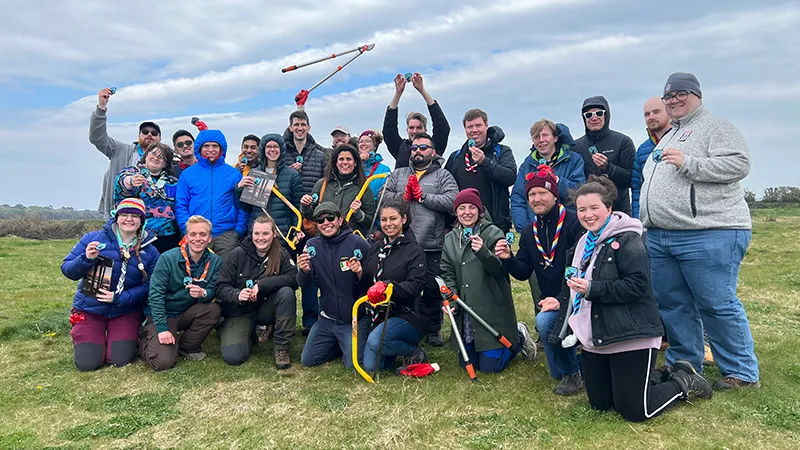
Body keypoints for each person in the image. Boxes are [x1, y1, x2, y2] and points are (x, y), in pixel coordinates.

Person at [548, 176, 712, 422]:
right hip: (598, 334)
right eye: (582, 209)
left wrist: (593, 289)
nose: (587, 214)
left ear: (609, 209)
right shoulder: (583, 242)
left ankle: (682, 381)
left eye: (595, 208)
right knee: (601, 404)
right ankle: (656, 376)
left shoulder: (629, 240)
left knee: (635, 410)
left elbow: (637, 286)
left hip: (630, 332)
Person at [640, 72, 760, 389]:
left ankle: (742, 373)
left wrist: (690, 162)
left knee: (716, 303)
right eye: (668, 96)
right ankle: (686, 363)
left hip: (708, 232)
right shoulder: (668, 135)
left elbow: (739, 163)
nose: (674, 100)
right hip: (662, 236)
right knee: (673, 303)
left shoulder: (716, 127)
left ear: (697, 95)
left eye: (681, 94)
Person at [497, 166, 585, 394]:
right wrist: (508, 258)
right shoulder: (528, 232)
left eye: (542, 193)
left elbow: (584, 269)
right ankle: (574, 368)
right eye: (531, 195)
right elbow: (523, 272)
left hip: (582, 297)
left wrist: (560, 299)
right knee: (554, 368)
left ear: (555, 195)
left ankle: (575, 373)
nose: (537, 199)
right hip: (555, 303)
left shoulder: (575, 223)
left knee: (546, 322)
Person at [440, 188, 534, 373]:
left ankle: (519, 337)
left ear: (479, 210)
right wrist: (452, 299)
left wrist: (483, 252)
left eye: (472, 207)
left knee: (490, 368)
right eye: (462, 208)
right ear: (455, 211)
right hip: (465, 307)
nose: (467, 212)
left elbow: (499, 270)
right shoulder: (451, 238)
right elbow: (447, 271)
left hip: (490, 307)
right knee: (467, 363)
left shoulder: (493, 233)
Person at [61, 198, 159, 371]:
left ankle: (123, 336)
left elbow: (151, 285)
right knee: (88, 364)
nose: (129, 219)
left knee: (119, 360)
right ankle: (91, 336)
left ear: (141, 221)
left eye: (135, 216)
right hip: (90, 308)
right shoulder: (93, 238)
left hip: (125, 310)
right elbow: (68, 270)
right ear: (116, 217)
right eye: (125, 214)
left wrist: (120, 298)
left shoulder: (150, 250)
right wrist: (86, 259)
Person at [382, 132, 459, 346]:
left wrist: (424, 197)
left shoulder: (443, 176)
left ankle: (434, 329)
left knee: (433, 289)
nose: (418, 151)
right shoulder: (398, 174)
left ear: (433, 152)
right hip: (403, 244)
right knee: (406, 289)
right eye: (415, 147)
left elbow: (453, 200)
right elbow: (383, 196)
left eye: (423, 147)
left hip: (431, 244)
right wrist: (403, 198)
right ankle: (410, 326)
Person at [140, 215, 222, 371]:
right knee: (162, 362)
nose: (198, 239)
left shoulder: (215, 260)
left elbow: (212, 291)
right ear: (186, 236)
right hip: (163, 314)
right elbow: (155, 296)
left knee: (213, 310)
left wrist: (204, 293)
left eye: (203, 234)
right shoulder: (167, 258)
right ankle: (144, 339)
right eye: (193, 234)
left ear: (210, 238)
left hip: (186, 312)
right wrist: (163, 329)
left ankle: (186, 345)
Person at [216, 215, 299, 369]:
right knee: (234, 357)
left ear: (274, 234)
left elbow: (294, 278)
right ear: (251, 234)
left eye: (265, 233)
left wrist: (263, 284)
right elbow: (221, 287)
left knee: (286, 292)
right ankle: (241, 334)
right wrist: (237, 294)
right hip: (240, 311)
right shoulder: (237, 254)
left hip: (265, 309)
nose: (261, 238)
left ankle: (282, 347)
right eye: (257, 233)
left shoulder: (281, 253)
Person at [298, 203, 371, 369]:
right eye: (320, 220)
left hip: (353, 319)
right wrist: (303, 271)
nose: (326, 222)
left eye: (330, 218)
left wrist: (360, 273)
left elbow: (373, 283)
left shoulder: (358, 243)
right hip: (327, 318)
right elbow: (304, 284)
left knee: (353, 365)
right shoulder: (312, 246)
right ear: (316, 224)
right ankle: (340, 345)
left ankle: (350, 343)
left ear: (340, 219)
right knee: (308, 361)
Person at [361, 201, 430, 372]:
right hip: (379, 314)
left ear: (404, 219)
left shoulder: (415, 250)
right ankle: (391, 345)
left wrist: (390, 287)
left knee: (376, 342)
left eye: (393, 218)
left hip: (408, 313)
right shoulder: (375, 248)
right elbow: (367, 282)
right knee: (372, 367)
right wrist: (358, 273)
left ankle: (414, 351)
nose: (388, 224)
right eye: (384, 220)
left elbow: (416, 285)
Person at [175, 127, 248, 256]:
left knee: (226, 273)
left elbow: (241, 205)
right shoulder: (188, 174)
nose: (210, 150)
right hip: (197, 235)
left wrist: (238, 230)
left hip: (226, 235)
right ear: (199, 148)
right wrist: (188, 229)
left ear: (221, 149)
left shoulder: (233, 174)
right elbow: (181, 205)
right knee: (196, 272)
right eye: (206, 146)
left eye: (215, 146)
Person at [89, 88, 161, 218]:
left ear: (159, 139)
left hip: (154, 218)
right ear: (138, 135)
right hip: (121, 214)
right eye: (145, 132)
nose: (149, 135)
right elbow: (97, 138)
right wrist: (101, 107)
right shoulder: (120, 150)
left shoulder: (166, 159)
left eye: (154, 133)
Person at [444, 109, 517, 233]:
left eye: (478, 125)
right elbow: (446, 187)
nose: (474, 130)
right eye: (470, 127)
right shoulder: (456, 157)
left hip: (495, 225)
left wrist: (485, 162)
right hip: (462, 225)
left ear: (486, 126)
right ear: (465, 129)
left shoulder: (502, 151)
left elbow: (510, 177)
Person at [511, 120, 583, 228]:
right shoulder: (527, 165)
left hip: (567, 228)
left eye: (545, 135)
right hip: (536, 229)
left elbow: (579, 192)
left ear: (555, 138)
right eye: (536, 137)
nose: (541, 140)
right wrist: (525, 229)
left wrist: (557, 181)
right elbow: (518, 198)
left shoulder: (574, 160)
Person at [114, 143, 181, 253]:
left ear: (165, 163)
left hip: (168, 236)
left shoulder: (172, 181)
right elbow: (122, 181)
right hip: (139, 234)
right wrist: (131, 181)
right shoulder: (133, 172)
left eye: (161, 157)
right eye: (153, 154)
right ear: (145, 156)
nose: (156, 158)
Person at [574, 96, 636, 215]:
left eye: (599, 113)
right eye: (588, 115)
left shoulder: (623, 141)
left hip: (618, 210)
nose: (594, 118)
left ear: (606, 115)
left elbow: (631, 180)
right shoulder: (576, 146)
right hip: (588, 212)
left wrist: (608, 167)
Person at [299, 144, 376, 238]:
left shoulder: (363, 188)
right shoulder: (322, 184)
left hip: (350, 239)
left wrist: (358, 213)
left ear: (355, 162)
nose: (345, 162)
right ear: (335, 162)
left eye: (349, 159)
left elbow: (370, 222)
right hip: (323, 239)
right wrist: (305, 206)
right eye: (341, 159)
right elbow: (311, 215)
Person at [383, 73, 450, 169]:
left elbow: (442, 127)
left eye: (419, 127)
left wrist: (422, 91)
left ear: (425, 130)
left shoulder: (434, 145)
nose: (414, 131)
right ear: (407, 130)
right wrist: (398, 93)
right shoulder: (399, 147)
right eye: (411, 128)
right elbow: (389, 129)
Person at [631, 97, 671, 219]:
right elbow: (637, 189)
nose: (651, 117)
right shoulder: (642, 149)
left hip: (679, 222)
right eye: (647, 114)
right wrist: (637, 219)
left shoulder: (683, 142)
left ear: (669, 111)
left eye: (656, 112)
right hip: (650, 224)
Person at [282, 110, 329, 195]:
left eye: (303, 124)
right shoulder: (281, 155)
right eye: (296, 125)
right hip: (286, 205)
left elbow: (326, 184)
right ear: (290, 128)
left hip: (311, 206)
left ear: (308, 128)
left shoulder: (321, 156)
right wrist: (288, 174)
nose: (300, 128)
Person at [357, 130, 392, 203]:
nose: (363, 144)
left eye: (367, 141)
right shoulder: (352, 165)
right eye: (361, 141)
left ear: (375, 145)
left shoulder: (384, 169)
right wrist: (359, 162)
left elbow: (385, 195)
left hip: (373, 208)